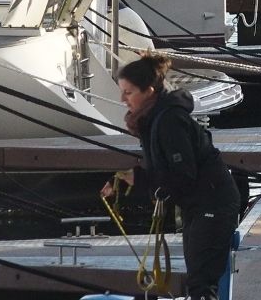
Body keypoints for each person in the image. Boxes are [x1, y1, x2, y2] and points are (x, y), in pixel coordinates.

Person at [102, 52, 240, 300]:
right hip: (198, 205)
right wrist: (125, 178)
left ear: (150, 91)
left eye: (129, 92)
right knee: (197, 279)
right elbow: (163, 169)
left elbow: (183, 175)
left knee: (201, 282)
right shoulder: (154, 117)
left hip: (212, 204)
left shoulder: (169, 121)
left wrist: (143, 181)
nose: (123, 99)